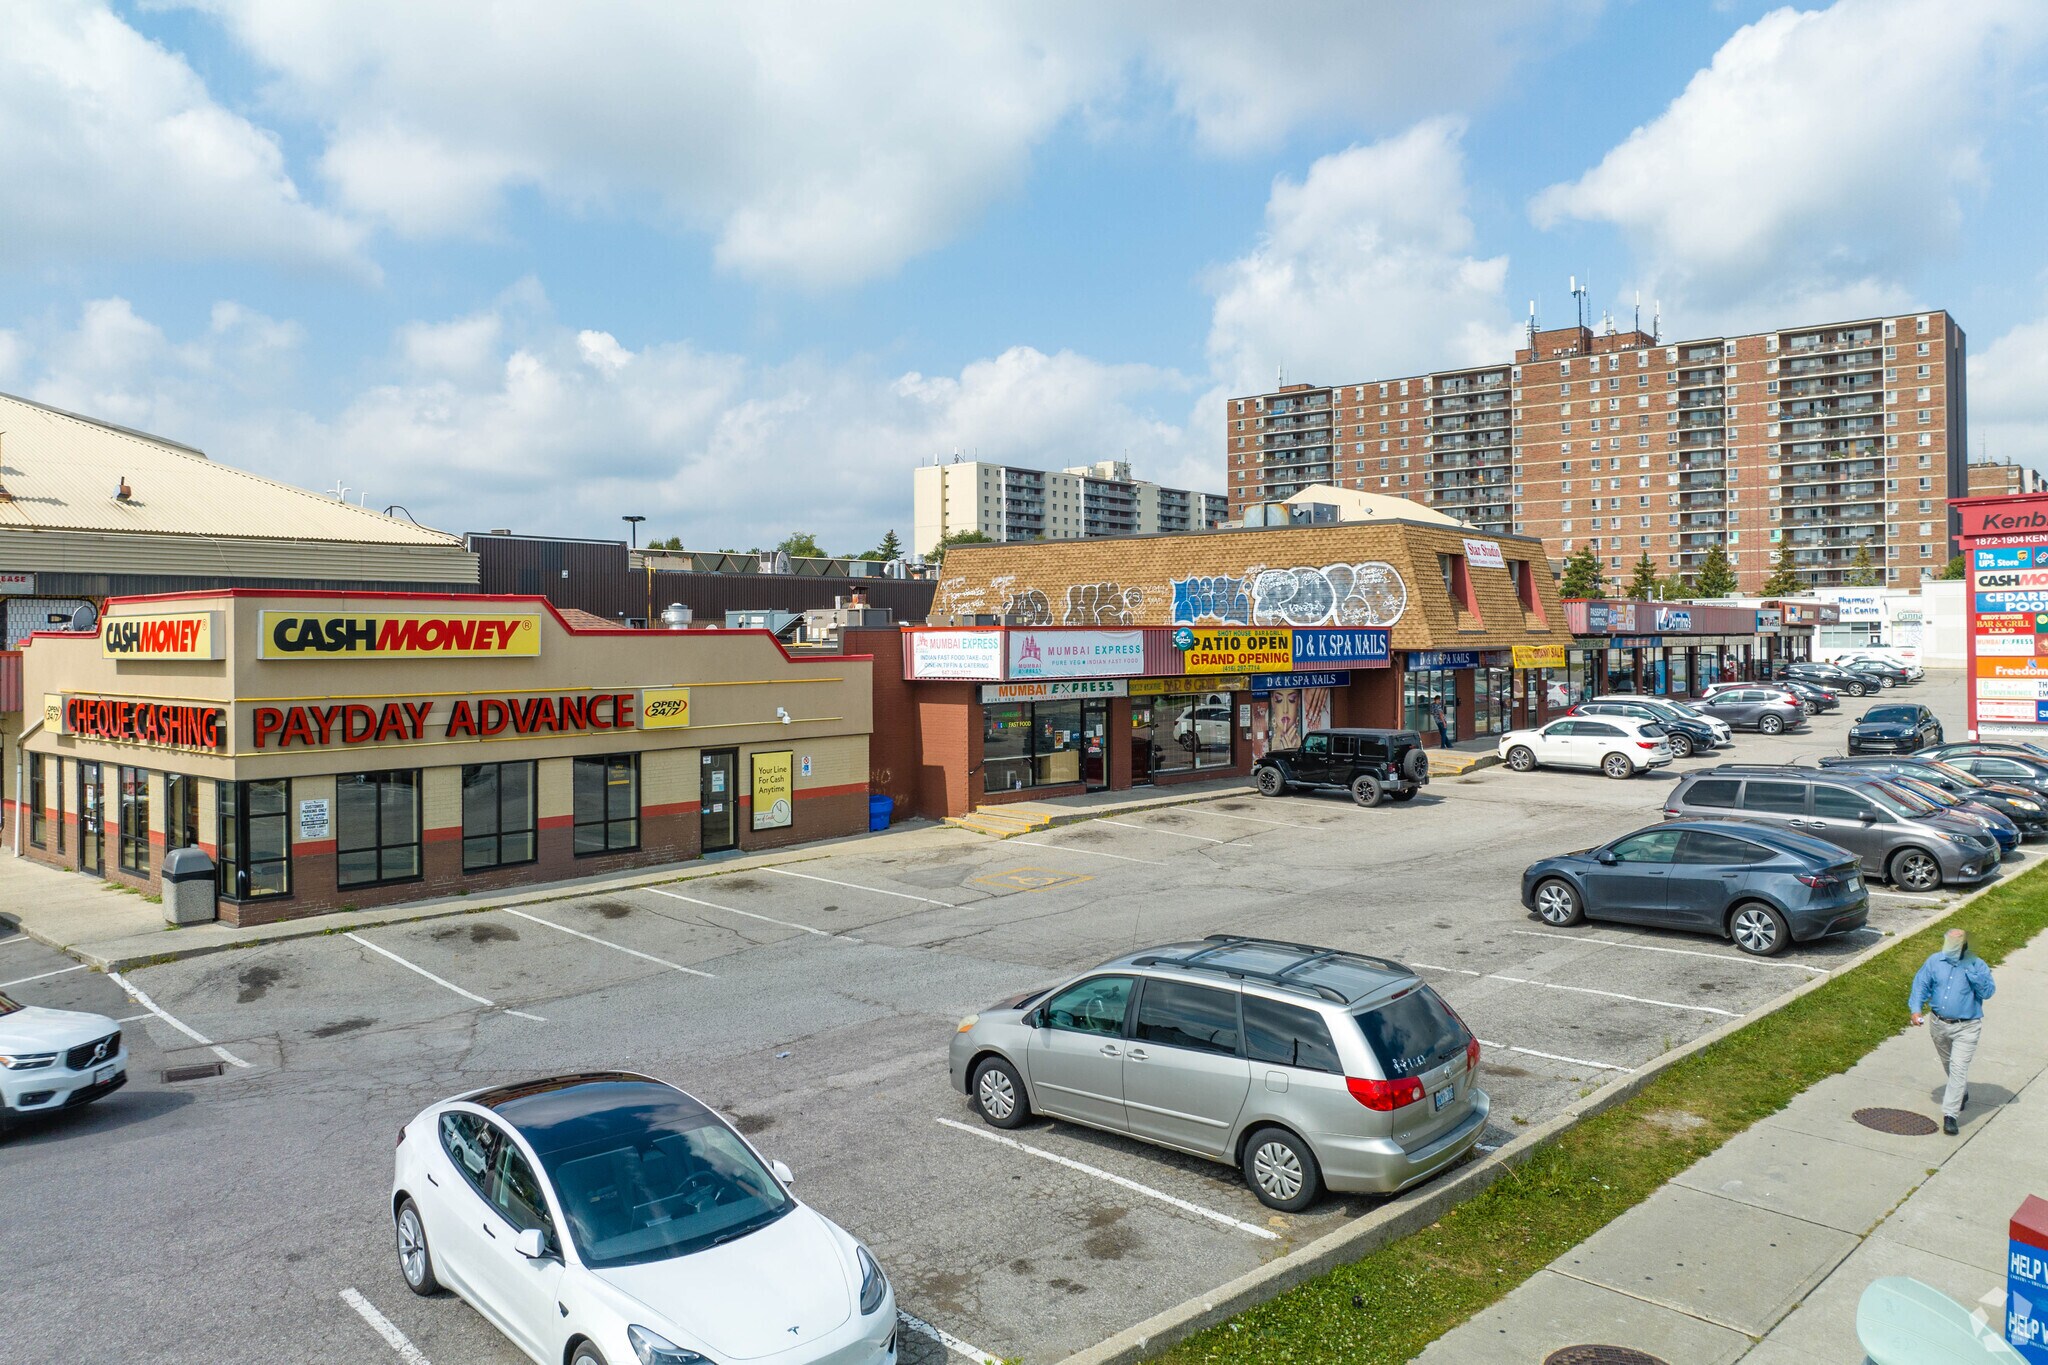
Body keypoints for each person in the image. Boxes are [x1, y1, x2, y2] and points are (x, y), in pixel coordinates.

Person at [1909, 928, 1996, 1134]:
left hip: (1967, 1027)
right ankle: (1961, 1092)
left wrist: (1970, 971)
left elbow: (1988, 992)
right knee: (1948, 1063)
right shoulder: (1934, 961)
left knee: (1958, 1068)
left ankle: (1950, 1115)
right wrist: (1915, 1009)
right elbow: (1921, 984)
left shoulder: (1977, 964)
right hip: (1939, 1024)